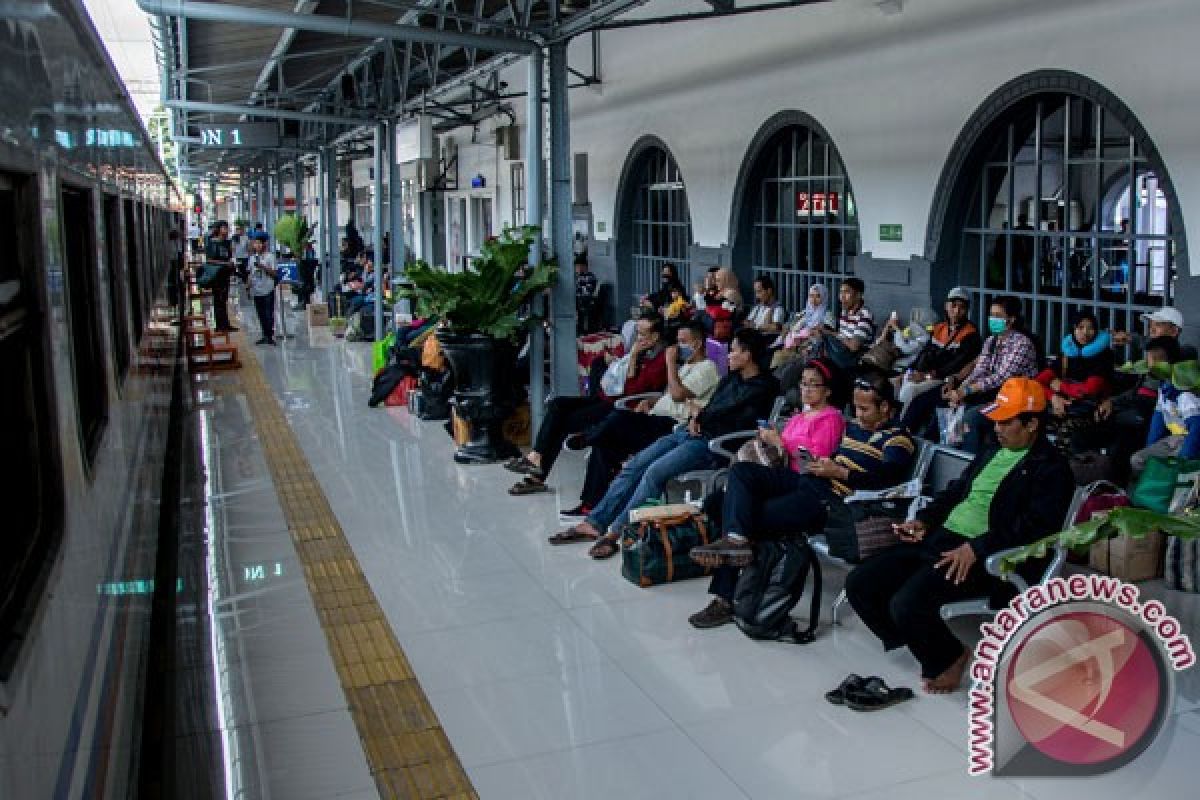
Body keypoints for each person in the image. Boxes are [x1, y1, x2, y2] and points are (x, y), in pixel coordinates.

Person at [845, 376, 1074, 694]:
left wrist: (977, 548)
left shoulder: (1051, 468)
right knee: (861, 583)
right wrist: (924, 521)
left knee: (906, 604)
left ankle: (949, 656)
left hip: (986, 555)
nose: (997, 428)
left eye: (1006, 422)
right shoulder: (993, 449)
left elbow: (1036, 527)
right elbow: (957, 492)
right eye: (996, 421)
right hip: (942, 538)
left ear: (1032, 423)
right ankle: (918, 639)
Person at [688, 370, 915, 626]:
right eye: (856, 408)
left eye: (864, 409)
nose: (858, 416)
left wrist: (840, 472)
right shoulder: (854, 429)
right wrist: (822, 465)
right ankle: (736, 543)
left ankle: (725, 598)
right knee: (739, 476)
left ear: (885, 407)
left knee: (737, 512)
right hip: (811, 480)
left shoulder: (898, 439)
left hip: (831, 502)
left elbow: (887, 478)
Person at [554, 328, 778, 558]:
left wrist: (700, 417)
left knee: (654, 473)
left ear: (747, 354)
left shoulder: (762, 387)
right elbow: (712, 406)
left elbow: (729, 412)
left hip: (713, 444)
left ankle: (614, 534)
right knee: (633, 466)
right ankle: (595, 522)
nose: (728, 356)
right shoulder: (732, 378)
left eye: (733, 351)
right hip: (690, 432)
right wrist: (695, 418)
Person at [552, 319, 721, 525]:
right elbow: (667, 395)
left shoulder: (707, 368)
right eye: (677, 342)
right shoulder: (684, 366)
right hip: (655, 417)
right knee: (604, 446)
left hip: (671, 424)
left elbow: (677, 395)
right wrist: (649, 401)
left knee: (619, 417)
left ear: (697, 343)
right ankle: (590, 505)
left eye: (683, 342)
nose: (678, 347)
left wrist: (669, 362)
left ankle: (588, 437)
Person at [506, 312, 670, 495]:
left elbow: (633, 390)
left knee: (563, 422)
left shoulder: (660, 360)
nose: (637, 338)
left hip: (621, 408)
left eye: (642, 333)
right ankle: (536, 457)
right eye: (637, 332)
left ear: (655, 336)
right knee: (558, 404)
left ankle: (537, 473)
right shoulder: (643, 351)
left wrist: (632, 358)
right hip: (606, 398)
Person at [903, 295, 1038, 453]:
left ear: (1011, 319)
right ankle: (918, 447)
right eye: (991, 315)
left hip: (1010, 399)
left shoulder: (1022, 344)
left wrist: (966, 391)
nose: (992, 319)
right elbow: (980, 370)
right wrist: (959, 392)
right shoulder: (991, 341)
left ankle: (965, 462)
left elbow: (1001, 377)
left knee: (971, 418)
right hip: (987, 392)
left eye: (998, 316)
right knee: (934, 400)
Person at [895, 287, 982, 413]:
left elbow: (955, 365)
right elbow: (924, 353)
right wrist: (908, 371)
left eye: (962, 307)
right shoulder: (940, 327)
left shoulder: (970, 334)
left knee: (910, 390)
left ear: (967, 310)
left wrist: (926, 376)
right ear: (947, 306)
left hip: (944, 379)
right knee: (895, 382)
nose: (957, 311)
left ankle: (902, 427)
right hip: (923, 374)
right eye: (953, 305)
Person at [1130, 346, 1200, 475]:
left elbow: (1196, 428)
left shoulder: (1186, 395)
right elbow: (1157, 423)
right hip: (1173, 440)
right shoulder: (1164, 389)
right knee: (1138, 460)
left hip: (1188, 442)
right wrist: (1150, 449)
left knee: (1172, 471)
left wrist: (1184, 459)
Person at [1035, 311, 1114, 420]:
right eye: (1080, 327)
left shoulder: (1104, 355)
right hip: (1066, 406)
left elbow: (1089, 390)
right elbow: (1038, 382)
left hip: (1094, 410)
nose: (1085, 333)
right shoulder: (1066, 355)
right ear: (1074, 329)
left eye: (1090, 328)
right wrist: (1053, 397)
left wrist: (1061, 386)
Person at [771, 284, 831, 370]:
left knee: (780, 358)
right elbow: (788, 327)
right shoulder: (804, 313)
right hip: (791, 347)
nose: (813, 300)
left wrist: (801, 342)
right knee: (777, 355)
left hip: (810, 350)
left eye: (818, 296)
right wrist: (787, 338)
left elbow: (824, 336)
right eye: (811, 296)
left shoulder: (828, 315)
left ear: (824, 297)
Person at [245, 232, 278, 345]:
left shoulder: (270, 256)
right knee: (261, 314)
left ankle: (270, 335)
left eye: (259, 243)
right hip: (256, 290)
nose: (257, 245)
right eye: (255, 243)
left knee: (269, 313)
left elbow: (274, 273)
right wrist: (248, 287)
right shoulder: (252, 258)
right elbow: (250, 274)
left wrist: (263, 267)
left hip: (268, 289)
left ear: (264, 244)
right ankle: (264, 334)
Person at [204, 220, 237, 333]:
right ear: (218, 229)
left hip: (225, 274)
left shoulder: (227, 242)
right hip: (217, 275)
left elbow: (230, 256)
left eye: (227, 228)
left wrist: (231, 263)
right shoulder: (212, 243)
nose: (226, 230)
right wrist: (224, 263)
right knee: (218, 299)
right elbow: (209, 260)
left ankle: (225, 324)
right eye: (224, 228)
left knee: (224, 299)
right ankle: (219, 325)